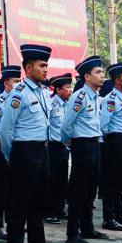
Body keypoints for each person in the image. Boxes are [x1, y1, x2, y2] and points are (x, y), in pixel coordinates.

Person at [0, 44, 67, 243]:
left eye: (46, 65)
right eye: (41, 65)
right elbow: (6, 130)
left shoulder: (42, 92)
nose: (46, 69)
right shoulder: (18, 94)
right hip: (24, 152)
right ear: (28, 67)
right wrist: (12, 157)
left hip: (42, 151)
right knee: (20, 205)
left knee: (39, 202)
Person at [61, 55, 107, 243]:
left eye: (102, 72)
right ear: (87, 77)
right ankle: (73, 234)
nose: (102, 75)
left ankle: (88, 227)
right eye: (98, 72)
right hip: (82, 145)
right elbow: (65, 126)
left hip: (95, 144)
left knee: (91, 189)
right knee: (78, 191)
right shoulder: (79, 97)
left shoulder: (95, 96)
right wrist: (70, 144)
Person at [99, 62, 122, 232]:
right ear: (117, 80)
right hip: (114, 141)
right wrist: (110, 142)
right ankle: (109, 218)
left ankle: (119, 214)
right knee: (111, 181)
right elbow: (103, 125)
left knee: (121, 179)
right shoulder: (111, 100)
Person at [0, 65, 21, 240]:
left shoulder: (19, 99)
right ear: (7, 83)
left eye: (20, 81)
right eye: (16, 81)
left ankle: (12, 223)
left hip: (15, 143)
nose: (18, 84)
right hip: (0, 144)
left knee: (13, 187)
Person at [44, 73, 73, 224]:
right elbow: (46, 125)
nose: (70, 90)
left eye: (70, 86)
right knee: (52, 180)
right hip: (52, 146)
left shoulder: (68, 104)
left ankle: (59, 210)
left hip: (64, 147)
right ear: (58, 89)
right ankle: (49, 212)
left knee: (62, 180)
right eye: (67, 87)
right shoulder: (51, 104)